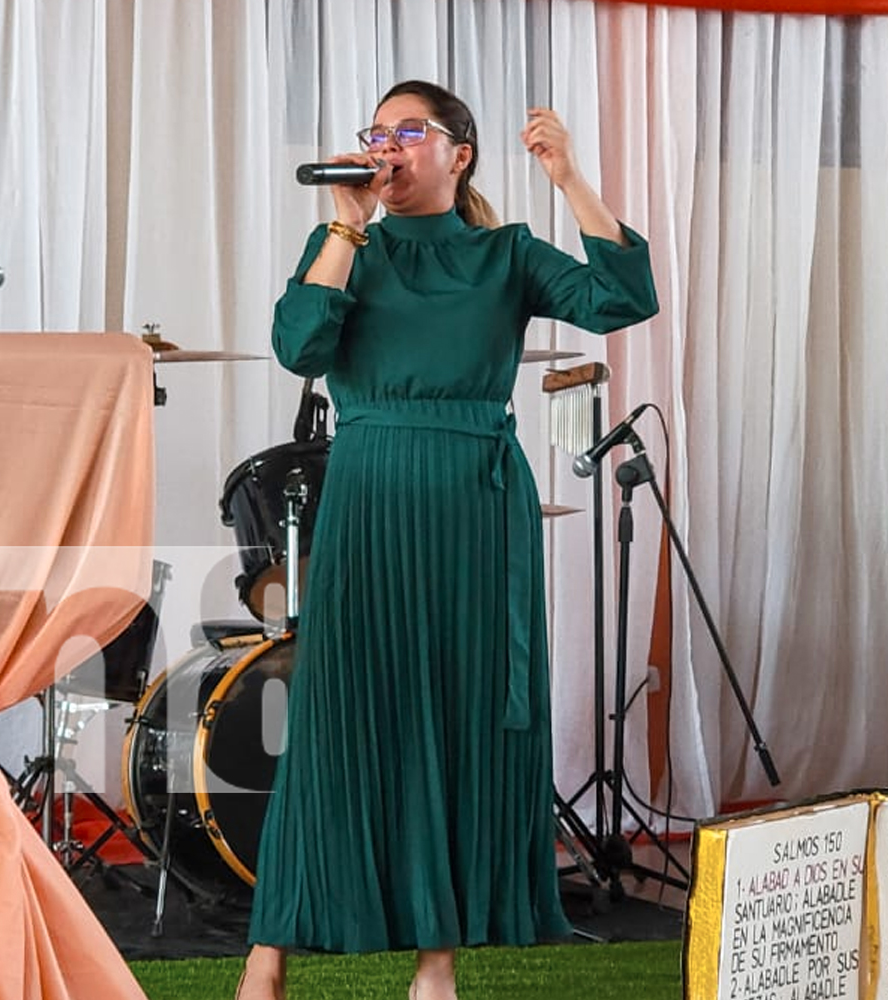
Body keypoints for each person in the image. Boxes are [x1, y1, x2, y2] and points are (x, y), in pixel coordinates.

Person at [234, 80, 659, 1000]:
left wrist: (571, 176)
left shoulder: (506, 254)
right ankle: (268, 957)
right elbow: (299, 347)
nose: (386, 148)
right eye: (375, 133)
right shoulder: (345, 245)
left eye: (407, 132)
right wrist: (345, 225)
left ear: (458, 153)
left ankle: (438, 965)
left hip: (475, 500)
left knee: (463, 715)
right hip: (371, 493)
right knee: (337, 719)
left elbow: (622, 298)